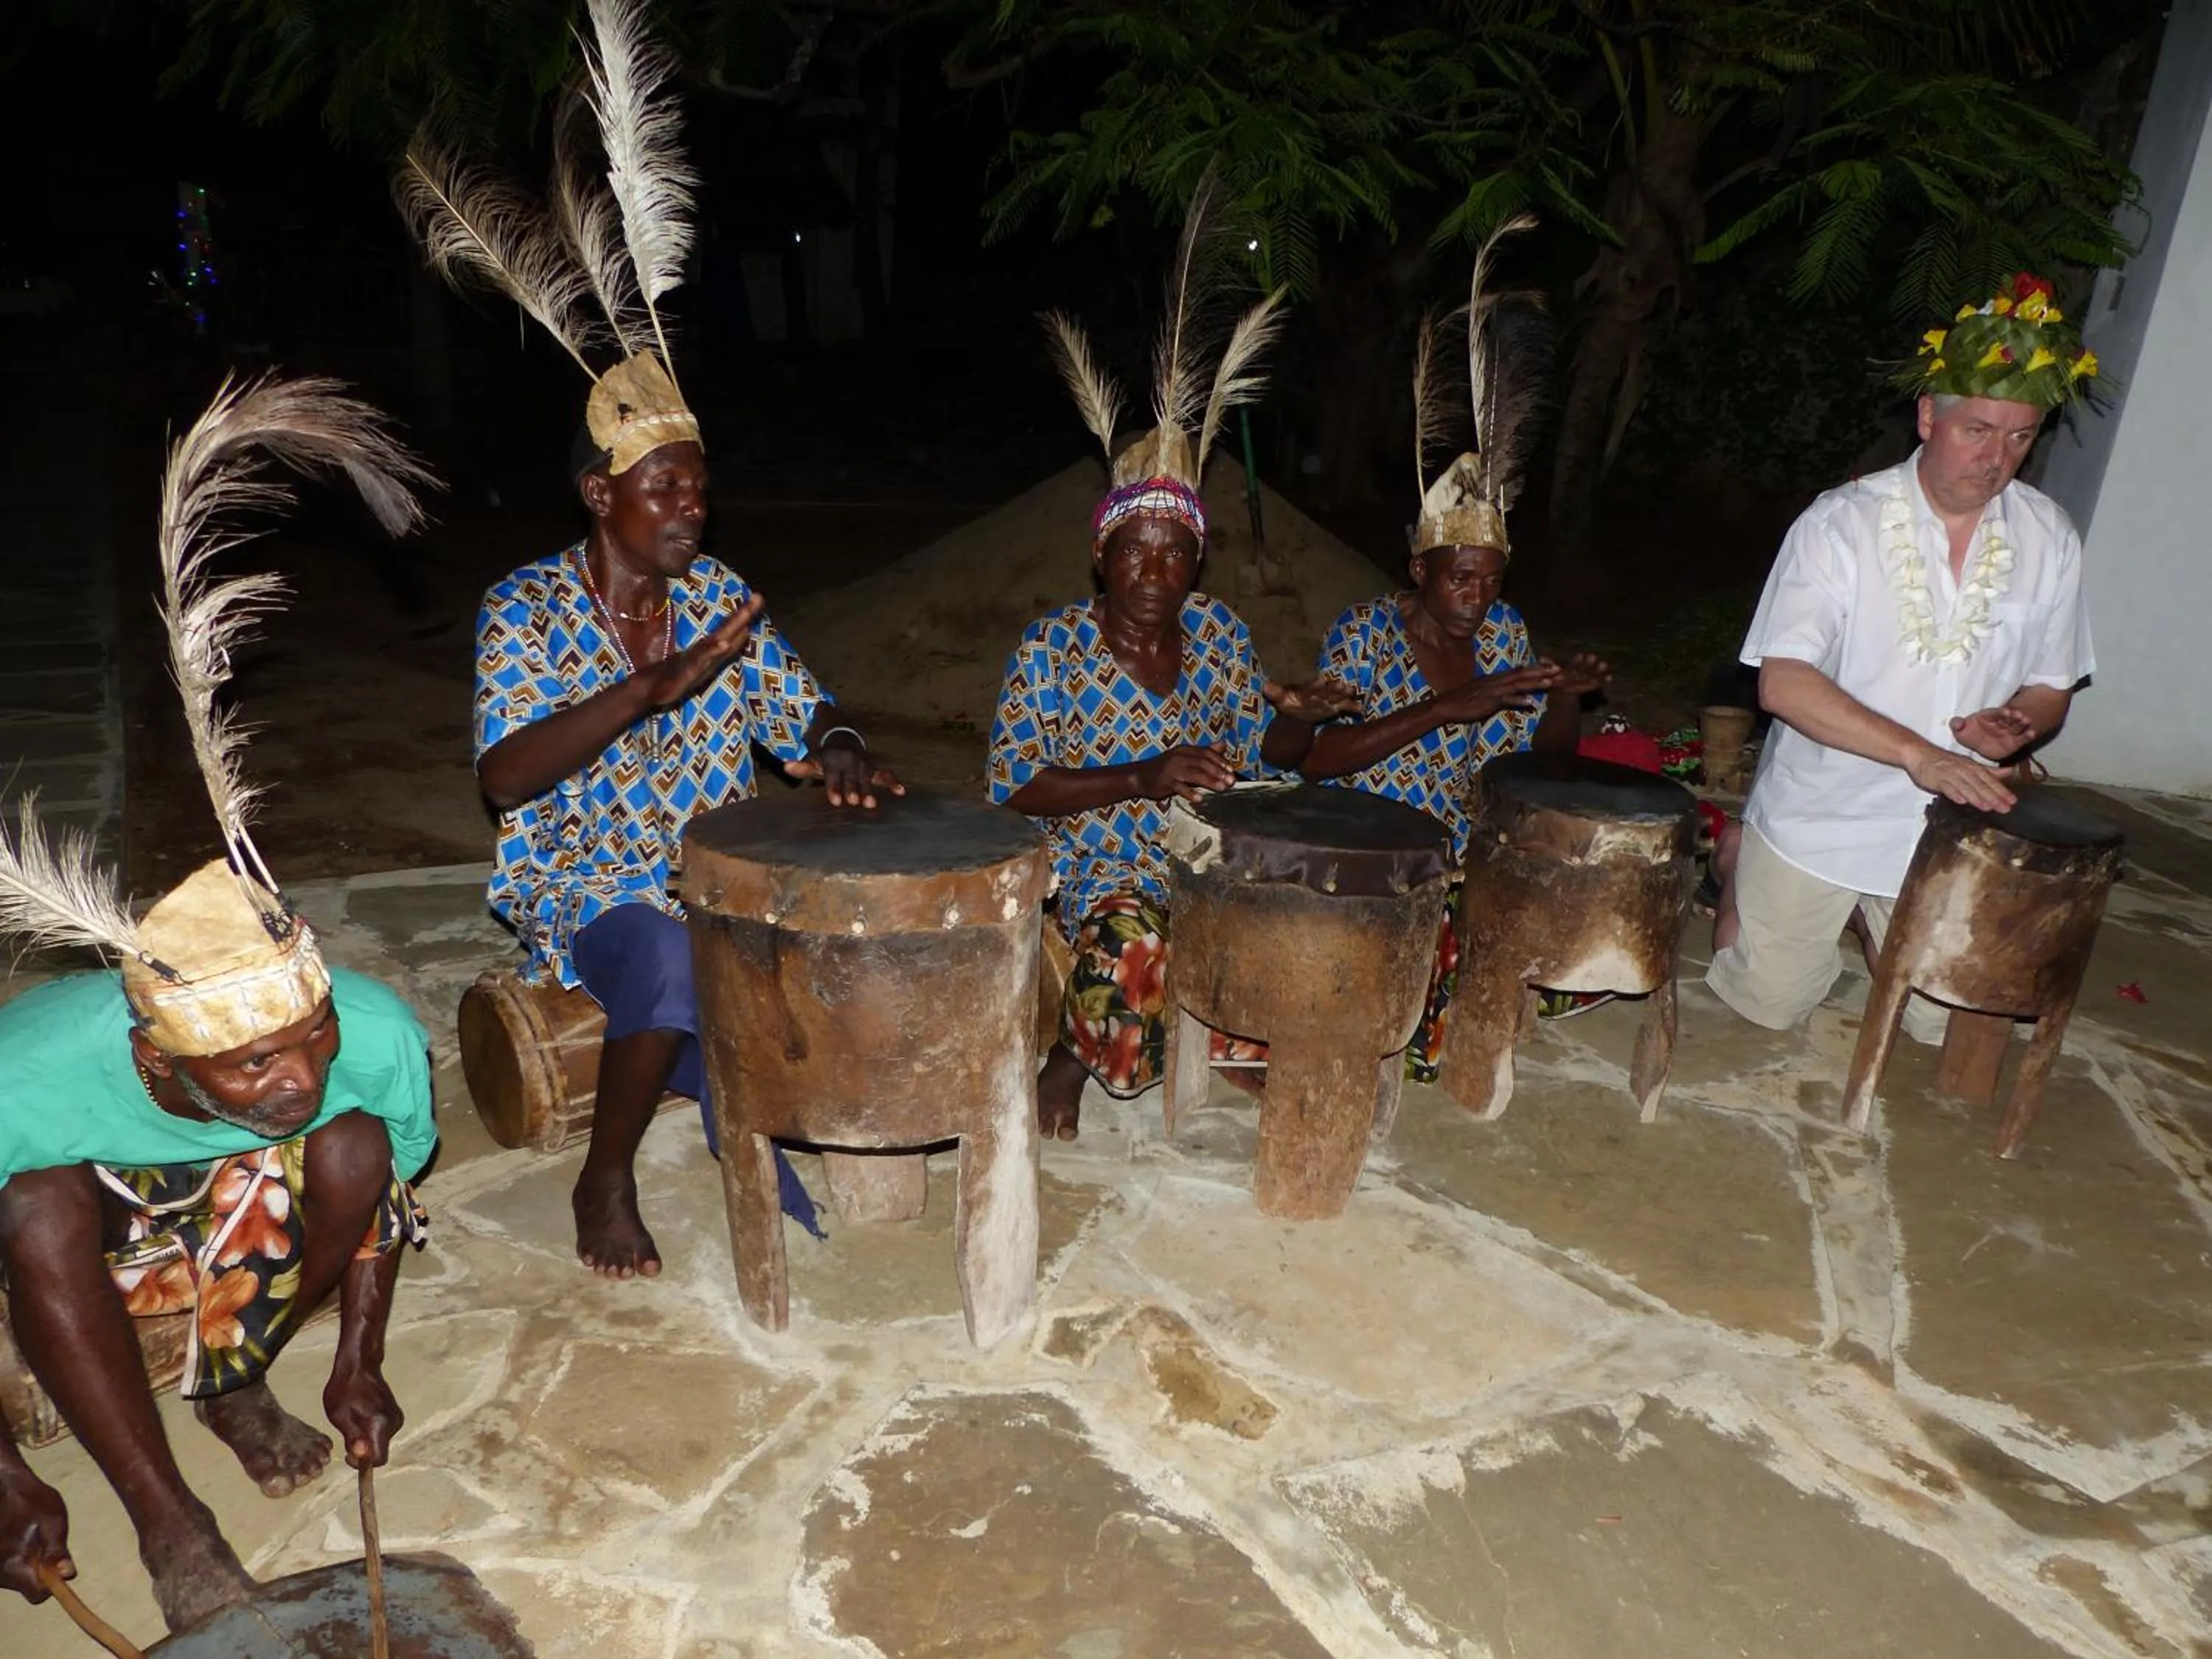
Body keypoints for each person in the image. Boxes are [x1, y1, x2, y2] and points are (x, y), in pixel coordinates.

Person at [412, 1, 899, 1280]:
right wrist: (658, 686)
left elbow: (806, 710)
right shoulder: (525, 607)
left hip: (716, 863)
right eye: (664, 490)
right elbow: (505, 780)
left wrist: (838, 745)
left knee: (828, 938)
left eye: (697, 486)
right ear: (599, 496)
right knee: (678, 961)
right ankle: (604, 1181)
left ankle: (717, 1087)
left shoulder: (723, 588)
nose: (692, 509)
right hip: (583, 880)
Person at [0, 379, 436, 1632]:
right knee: (31, 1203)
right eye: (249, 1065)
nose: (293, 1073)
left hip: (241, 1231)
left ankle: (234, 1378)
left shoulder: (372, 1037)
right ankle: (166, 1515)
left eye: (309, 1037)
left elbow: (392, 1205)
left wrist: (359, 1358)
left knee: (351, 1143)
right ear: (159, 1051)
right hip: (93, 1226)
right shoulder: (28, 1073)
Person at [990, 195, 1357, 1141]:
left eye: (1175, 554)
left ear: (1198, 560)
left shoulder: (1223, 635)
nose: (1155, 572)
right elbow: (1017, 789)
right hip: (1101, 867)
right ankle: (1072, 1057)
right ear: (1101, 557)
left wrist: (1303, 718)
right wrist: (1143, 777)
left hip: (1212, 856)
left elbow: (1262, 760)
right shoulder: (1055, 648)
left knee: (1311, 919)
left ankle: (1218, 1039)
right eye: (1135, 552)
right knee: (1139, 944)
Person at [1708, 273, 2098, 1036]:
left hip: (1949, 825)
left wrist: (2017, 724)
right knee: (1770, 1004)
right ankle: (1735, 862)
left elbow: (2054, 686)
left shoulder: (2049, 535)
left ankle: (1872, 921)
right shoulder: (1838, 525)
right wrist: (1922, 755)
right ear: (1928, 416)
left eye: (2021, 437)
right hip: (1821, 812)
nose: (1998, 458)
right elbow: (1783, 686)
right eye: (1978, 430)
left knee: (1939, 1028)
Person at [1304, 219, 1609, 1075]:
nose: (1478, 599)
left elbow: (1531, 765)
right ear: (1418, 569)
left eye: (1490, 578)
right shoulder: (1364, 632)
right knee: (1431, 969)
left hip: (1459, 842)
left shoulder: (1506, 632)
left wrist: (1563, 698)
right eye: (1458, 580)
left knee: (1561, 930)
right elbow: (1321, 761)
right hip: (1370, 840)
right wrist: (1444, 707)